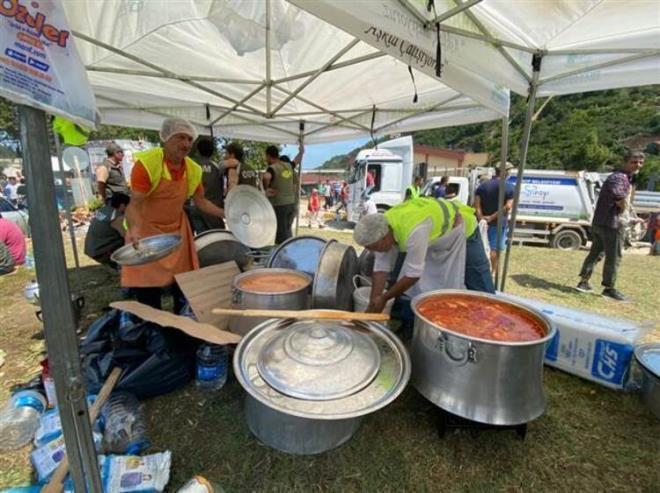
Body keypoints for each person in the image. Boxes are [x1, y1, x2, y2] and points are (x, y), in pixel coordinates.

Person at [122, 118, 225, 311]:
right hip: (146, 231)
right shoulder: (147, 164)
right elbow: (135, 204)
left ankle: (182, 324)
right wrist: (134, 229)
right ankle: (153, 327)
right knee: (147, 288)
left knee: (183, 283)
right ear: (166, 139)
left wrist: (226, 213)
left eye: (189, 139)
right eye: (180, 138)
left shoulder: (193, 169)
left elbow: (201, 201)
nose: (186, 144)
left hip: (177, 230)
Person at [353, 197, 493, 333]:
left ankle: (488, 326)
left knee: (480, 286)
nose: (373, 252)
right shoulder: (383, 226)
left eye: (374, 247)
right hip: (435, 237)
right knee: (417, 289)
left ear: (385, 237)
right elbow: (380, 269)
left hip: (463, 230)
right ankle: (411, 325)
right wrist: (373, 303)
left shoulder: (414, 229)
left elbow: (413, 275)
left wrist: (384, 298)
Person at [576, 151, 645, 301]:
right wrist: (625, 216)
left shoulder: (623, 177)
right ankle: (609, 288)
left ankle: (583, 282)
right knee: (614, 257)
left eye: (640, 162)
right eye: (634, 162)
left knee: (596, 253)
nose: (637, 165)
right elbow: (619, 198)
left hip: (602, 222)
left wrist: (632, 218)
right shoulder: (620, 177)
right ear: (625, 162)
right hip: (612, 224)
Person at [474, 162, 515, 276]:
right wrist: (492, 217)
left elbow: (476, 204)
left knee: (480, 247)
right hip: (497, 224)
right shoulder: (510, 187)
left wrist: (481, 218)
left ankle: (480, 269)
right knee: (494, 248)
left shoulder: (483, 186)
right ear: (505, 172)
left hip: (481, 223)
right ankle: (492, 271)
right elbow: (508, 206)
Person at [262, 144, 303, 244]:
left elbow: (266, 177)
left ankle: (283, 255)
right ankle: (291, 250)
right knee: (287, 231)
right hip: (291, 204)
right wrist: (301, 152)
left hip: (279, 205)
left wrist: (266, 189)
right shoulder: (288, 166)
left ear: (268, 156)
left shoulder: (272, 168)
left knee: (281, 236)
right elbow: (296, 161)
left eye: (266, 157)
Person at [84, 192, 130, 269]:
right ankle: (119, 267)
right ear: (122, 205)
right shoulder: (115, 216)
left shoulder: (104, 209)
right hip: (99, 251)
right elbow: (125, 235)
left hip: (91, 247)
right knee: (128, 244)